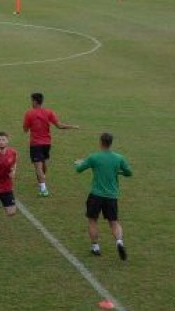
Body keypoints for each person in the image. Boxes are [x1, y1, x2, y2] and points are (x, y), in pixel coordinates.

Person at [74, 132, 133, 260]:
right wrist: (118, 171)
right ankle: (119, 242)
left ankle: (95, 246)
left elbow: (79, 169)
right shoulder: (118, 158)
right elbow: (129, 172)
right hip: (111, 196)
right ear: (111, 143)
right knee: (114, 222)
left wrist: (78, 163)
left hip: (96, 195)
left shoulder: (94, 157)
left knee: (92, 220)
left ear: (101, 142)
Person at [22, 92, 79, 197]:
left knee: (37, 166)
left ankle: (43, 188)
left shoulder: (29, 113)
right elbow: (59, 125)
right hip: (47, 143)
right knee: (43, 163)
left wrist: (30, 127)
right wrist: (72, 126)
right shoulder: (49, 112)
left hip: (35, 144)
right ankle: (42, 179)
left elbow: (25, 129)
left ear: (35, 101)